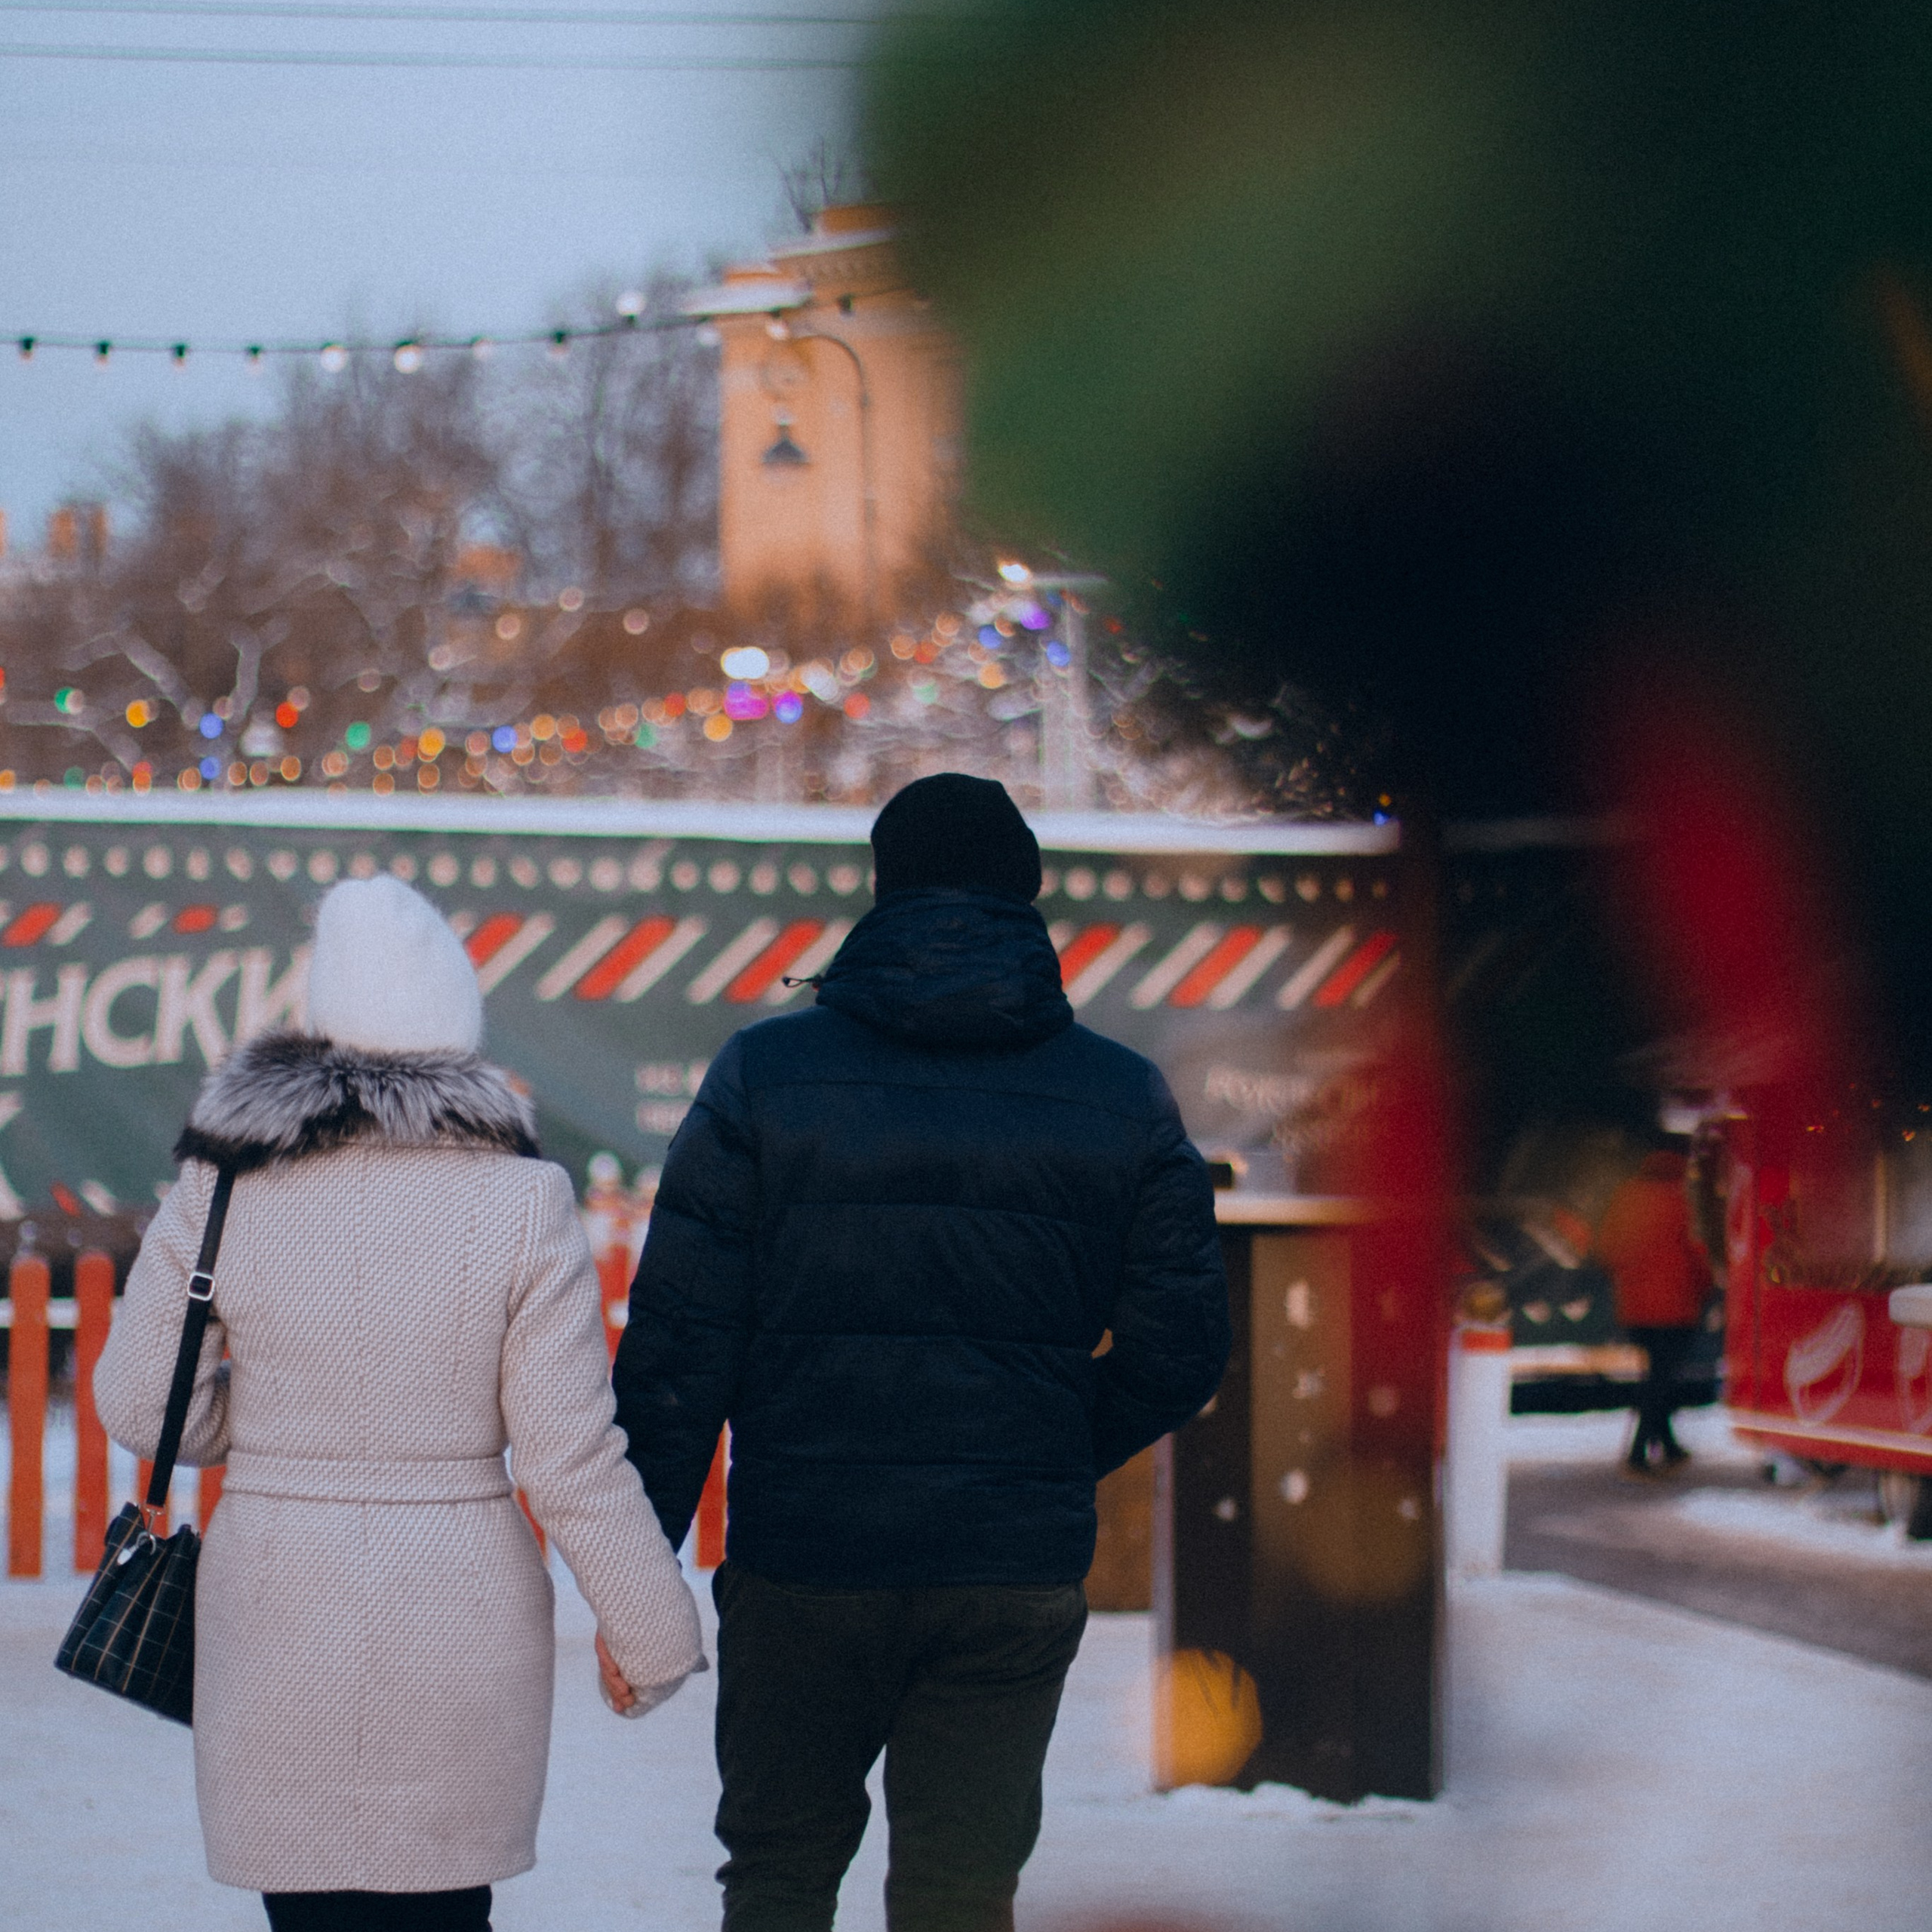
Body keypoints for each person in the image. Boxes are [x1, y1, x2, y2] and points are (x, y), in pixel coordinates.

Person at [614, 772, 1231, 1932]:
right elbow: (1185, 1343)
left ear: (881, 893)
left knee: (781, 1878)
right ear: (1030, 902)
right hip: (1008, 1567)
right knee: (961, 1894)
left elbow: (680, 1344)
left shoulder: (765, 1074)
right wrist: (1044, 1446)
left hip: (805, 1557)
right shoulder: (1121, 1096)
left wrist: (634, 1570)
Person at [94, 876, 704, 1932]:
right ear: (456, 1033)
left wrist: (280, 1422)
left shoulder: (227, 1183)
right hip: (458, 1609)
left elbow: (148, 1410)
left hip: (279, 1603)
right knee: (445, 1910)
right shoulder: (523, 1200)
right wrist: (652, 1632)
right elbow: (569, 1455)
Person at [1593, 1145, 1714, 1475]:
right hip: (1675, 1306)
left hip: (1635, 1308)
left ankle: (1670, 1447)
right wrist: (1705, 1283)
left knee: (1657, 1375)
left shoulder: (1626, 1197)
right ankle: (1636, 1454)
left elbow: (1606, 1250)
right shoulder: (1680, 1199)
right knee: (1661, 1379)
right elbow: (1695, 1249)